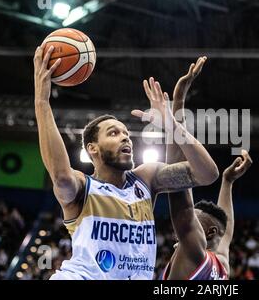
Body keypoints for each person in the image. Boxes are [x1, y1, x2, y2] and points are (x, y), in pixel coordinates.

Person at [33, 44, 219, 280]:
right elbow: (60, 175)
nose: (125, 137)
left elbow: (207, 174)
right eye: (113, 133)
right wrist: (42, 101)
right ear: (93, 149)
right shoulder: (82, 188)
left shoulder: (146, 179)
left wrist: (173, 124)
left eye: (126, 134)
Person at [160, 57, 252, 280]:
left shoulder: (194, 252)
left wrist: (179, 99)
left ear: (208, 232)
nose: (187, 217)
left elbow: (175, 175)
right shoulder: (221, 265)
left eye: (193, 217)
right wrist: (227, 182)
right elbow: (226, 231)